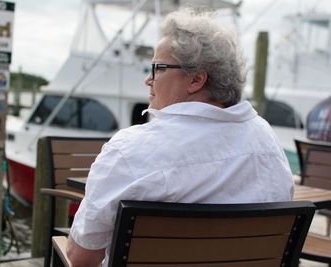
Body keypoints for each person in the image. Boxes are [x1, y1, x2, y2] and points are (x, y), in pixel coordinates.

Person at [66, 8, 294, 267]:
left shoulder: (130, 150)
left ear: (196, 79)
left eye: (157, 68)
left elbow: (81, 258)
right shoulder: (267, 142)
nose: (147, 79)